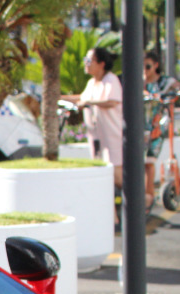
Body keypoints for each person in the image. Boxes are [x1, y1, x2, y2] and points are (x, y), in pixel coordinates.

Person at [63, 47, 123, 224]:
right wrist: (59, 97)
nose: (86, 65)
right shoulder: (92, 83)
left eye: (89, 61)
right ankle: (112, 218)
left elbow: (113, 101)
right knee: (103, 178)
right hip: (96, 138)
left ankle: (141, 201)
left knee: (117, 177)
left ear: (101, 64)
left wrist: (88, 102)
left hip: (112, 137)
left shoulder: (111, 81)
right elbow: (81, 98)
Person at [143, 52, 180, 211]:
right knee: (139, 163)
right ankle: (144, 196)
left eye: (148, 66)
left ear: (156, 65)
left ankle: (149, 197)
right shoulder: (139, 82)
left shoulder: (165, 82)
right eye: (142, 66)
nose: (145, 69)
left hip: (156, 126)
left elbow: (178, 88)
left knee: (149, 161)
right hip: (139, 127)